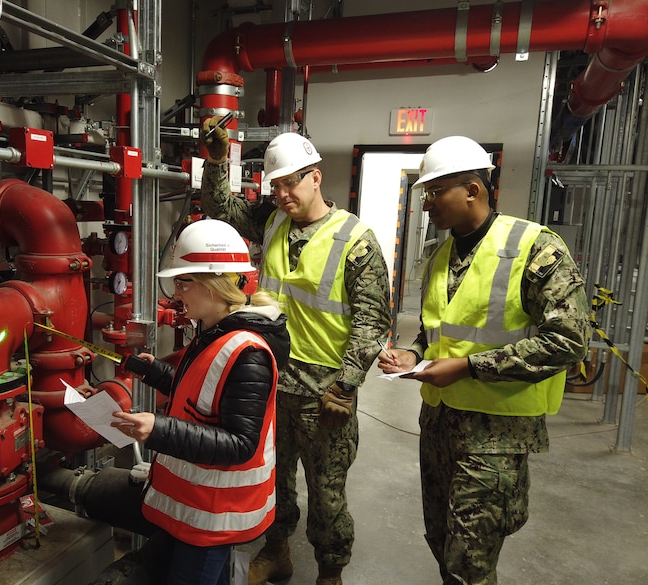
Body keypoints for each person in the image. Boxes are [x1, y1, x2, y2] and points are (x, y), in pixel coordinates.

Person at [377, 136, 591, 585]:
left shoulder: (536, 248)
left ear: (473, 189)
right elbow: (435, 330)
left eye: (436, 193)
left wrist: (470, 366)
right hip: (438, 426)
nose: (428, 205)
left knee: (469, 562)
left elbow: (570, 341)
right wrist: (413, 353)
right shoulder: (437, 255)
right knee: (440, 541)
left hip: (496, 436)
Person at [200, 120, 392, 585]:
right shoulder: (272, 222)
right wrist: (216, 161)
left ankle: (330, 573)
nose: (284, 194)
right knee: (274, 481)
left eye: (292, 183)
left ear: (316, 177)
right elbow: (220, 208)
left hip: (324, 391)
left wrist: (346, 385)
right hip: (270, 380)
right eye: (277, 185)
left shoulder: (355, 240)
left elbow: (373, 321)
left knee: (327, 495)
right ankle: (278, 551)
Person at [110, 218, 290, 585]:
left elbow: (240, 444)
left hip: (216, 513)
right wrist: (157, 373)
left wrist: (158, 430)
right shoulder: (215, 330)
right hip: (199, 506)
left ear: (216, 283)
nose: (176, 293)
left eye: (183, 281)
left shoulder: (248, 351)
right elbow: (207, 390)